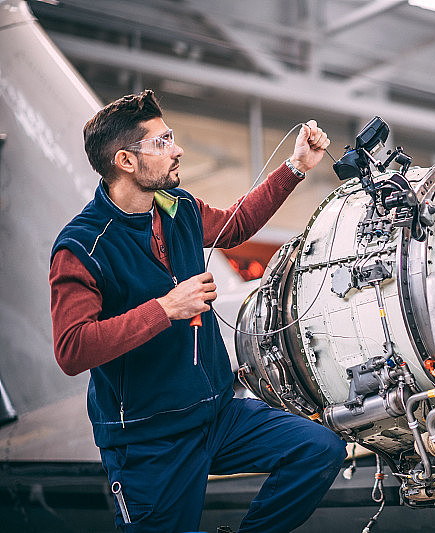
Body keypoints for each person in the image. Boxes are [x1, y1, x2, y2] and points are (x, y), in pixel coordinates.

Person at [49, 90, 347, 533]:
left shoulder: (177, 207)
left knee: (319, 449)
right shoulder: (82, 247)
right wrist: (165, 308)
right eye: (163, 141)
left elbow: (235, 225)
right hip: (149, 442)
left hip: (216, 414)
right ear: (126, 161)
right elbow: (72, 349)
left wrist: (296, 167)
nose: (178, 149)